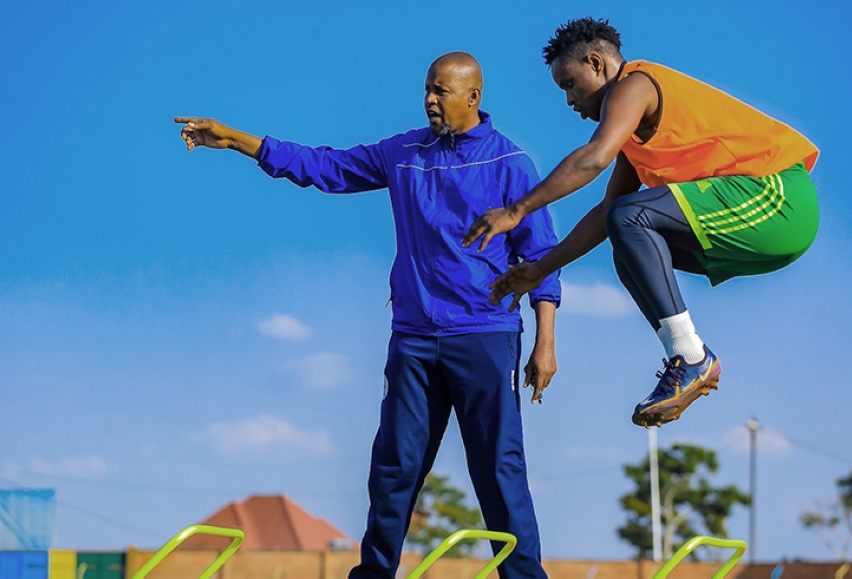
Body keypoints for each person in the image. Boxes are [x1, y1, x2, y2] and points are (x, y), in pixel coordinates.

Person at [175, 52, 559, 579]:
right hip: (416, 339)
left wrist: (545, 342)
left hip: (485, 335)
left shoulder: (509, 163)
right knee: (394, 468)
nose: (429, 99)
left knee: (499, 469)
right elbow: (325, 167)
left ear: (473, 97)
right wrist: (240, 141)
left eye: (441, 91)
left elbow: (540, 258)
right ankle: (374, 575)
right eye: (427, 88)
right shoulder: (402, 153)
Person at [463, 18, 819, 428]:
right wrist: (540, 269)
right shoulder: (635, 141)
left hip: (777, 199)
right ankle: (686, 357)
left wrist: (517, 210)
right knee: (624, 239)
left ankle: (691, 357)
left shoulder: (637, 84)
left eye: (569, 83)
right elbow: (606, 215)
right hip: (763, 222)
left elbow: (594, 159)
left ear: (596, 64)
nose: (569, 101)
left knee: (629, 217)